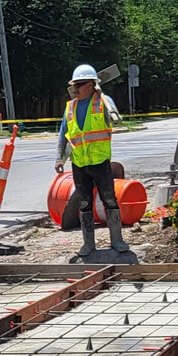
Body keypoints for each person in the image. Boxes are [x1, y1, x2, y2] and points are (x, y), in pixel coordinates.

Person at [55, 64, 128, 256]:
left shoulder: (102, 102)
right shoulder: (70, 107)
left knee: (109, 200)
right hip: (79, 164)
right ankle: (88, 244)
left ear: (91, 85)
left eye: (79, 85)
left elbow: (116, 120)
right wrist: (59, 158)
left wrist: (104, 97)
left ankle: (117, 240)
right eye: (74, 85)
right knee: (84, 203)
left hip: (100, 162)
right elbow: (64, 134)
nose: (75, 89)